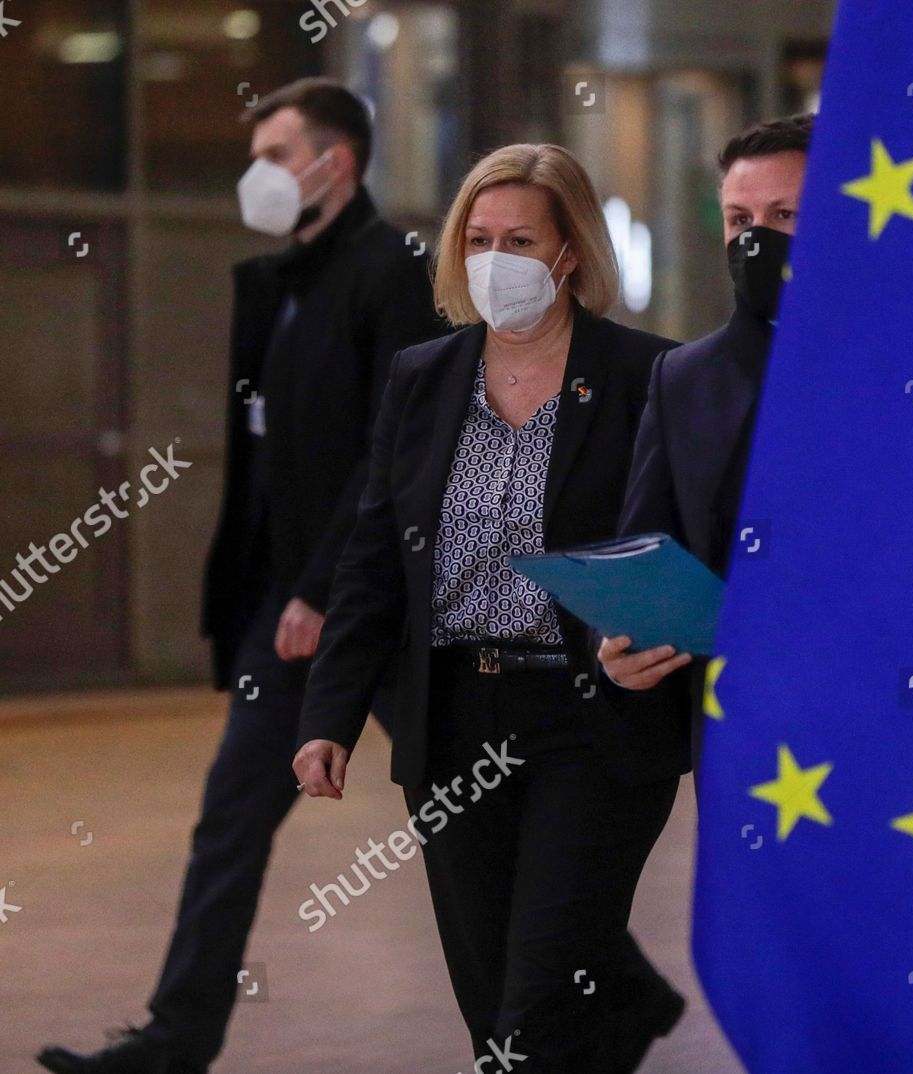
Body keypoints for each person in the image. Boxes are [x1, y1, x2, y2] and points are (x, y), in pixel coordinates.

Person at [36, 79, 443, 1074]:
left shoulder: (392, 270)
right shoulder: (279, 283)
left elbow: (390, 449)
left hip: (371, 606)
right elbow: (266, 452)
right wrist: (271, 592)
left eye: (272, 151)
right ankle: (176, 1040)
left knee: (464, 814)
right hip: (284, 615)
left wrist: (319, 585)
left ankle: (595, 1003)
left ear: (332, 162)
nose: (254, 171)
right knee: (228, 823)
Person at [291, 142, 687, 1071]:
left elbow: (684, 544)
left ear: (570, 255)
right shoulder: (423, 378)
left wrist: (654, 634)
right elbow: (374, 563)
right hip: (455, 724)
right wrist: (330, 715)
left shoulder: (648, 378)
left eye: (519, 239)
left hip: (591, 725)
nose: (493, 258)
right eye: (478, 238)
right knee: (491, 1004)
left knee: (539, 997)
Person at [596, 114, 811, 763]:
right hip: (739, 728)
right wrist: (619, 647)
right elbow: (648, 547)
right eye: (740, 221)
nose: (756, 240)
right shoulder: (686, 377)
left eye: (786, 216)